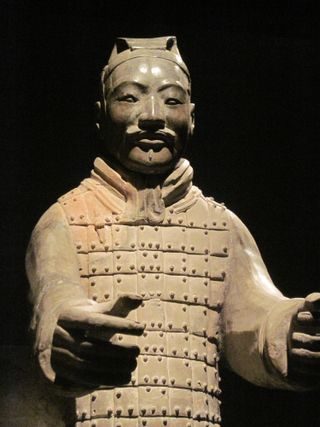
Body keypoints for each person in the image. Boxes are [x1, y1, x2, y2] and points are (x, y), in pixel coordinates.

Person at [26, 36, 319, 427]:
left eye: (172, 100)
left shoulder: (221, 225)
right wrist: (65, 333)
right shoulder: (65, 217)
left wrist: (290, 332)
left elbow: (255, 315)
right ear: (100, 116)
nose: (151, 115)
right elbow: (55, 291)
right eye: (129, 98)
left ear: (193, 117)